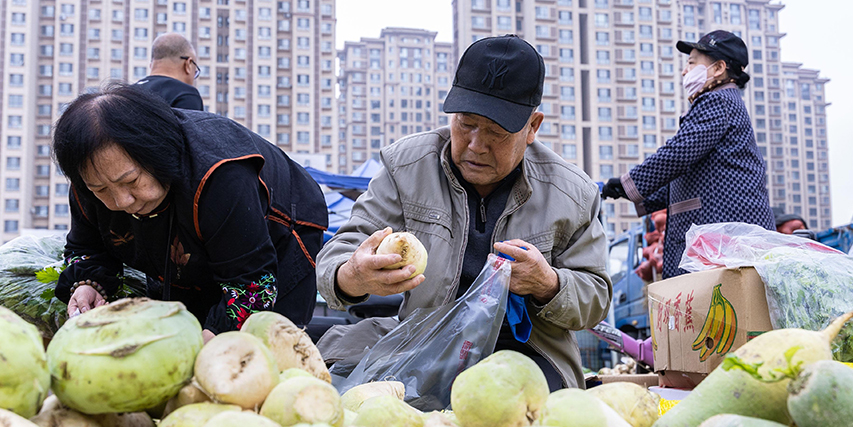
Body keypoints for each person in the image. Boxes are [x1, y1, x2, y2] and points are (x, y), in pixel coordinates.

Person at [315, 35, 612, 391]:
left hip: (525, 356)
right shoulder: (406, 166)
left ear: (533, 127)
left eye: (496, 133)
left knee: (518, 416)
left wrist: (548, 284)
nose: (475, 145)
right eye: (466, 123)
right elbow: (339, 254)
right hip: (419, 342)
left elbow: (595, 296)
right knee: (327, 385)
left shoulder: (572, 192)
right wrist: (352, 275)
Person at [52, 84, 327, 340]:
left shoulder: (220, 176)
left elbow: (251, 286)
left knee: (262, 347)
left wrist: (206, 349)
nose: (122, 201)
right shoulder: (90, 182)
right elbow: (85, 247)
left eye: (131, 181)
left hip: (282, 232)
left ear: (156, 155)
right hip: (191, 250)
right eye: (101, 189)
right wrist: (87, 284)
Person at [601, 30, 774, 277]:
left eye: (692, 63)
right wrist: (626, 192)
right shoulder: (721, 102)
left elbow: (679, 153)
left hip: (724, 242)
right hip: (723, 240)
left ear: (719, 68)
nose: (685, 72)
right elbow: (690, 173)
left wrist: (630, 183)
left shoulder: (719, 101)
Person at [133, 33, 204, 111]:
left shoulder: (126, 93)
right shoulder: (185, 94)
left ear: (151, 65)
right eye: (195, 73)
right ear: (188, 64)